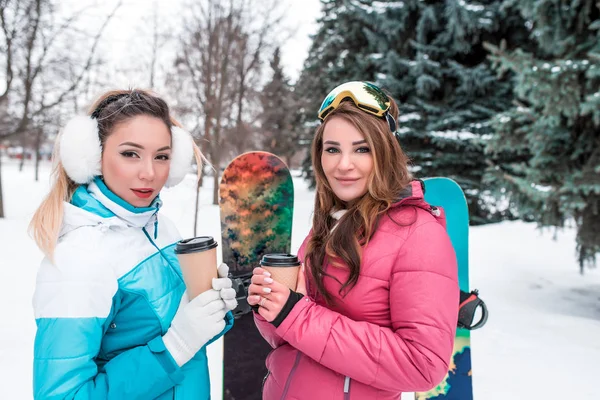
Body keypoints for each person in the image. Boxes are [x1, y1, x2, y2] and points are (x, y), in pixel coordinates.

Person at [247, 81, 460, 399]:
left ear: (384, 153)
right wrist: (271, 306)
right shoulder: (326, 225)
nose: (343, 164)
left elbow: (423, 365)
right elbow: (294, 339)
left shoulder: (420, 235)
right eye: (332, 149)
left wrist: (296, 313)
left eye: (362, 149)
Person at [29, 89, 237, 399]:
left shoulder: (161, 228)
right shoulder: (79, 259)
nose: (149, 173)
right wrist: (176, 345)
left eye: (162, 156)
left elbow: (167, 330)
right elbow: (63, 395)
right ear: (92, 156)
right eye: (130, 153)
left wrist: (207, 309)